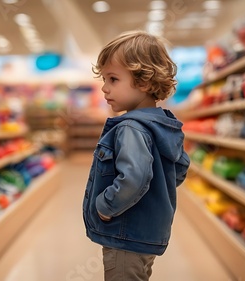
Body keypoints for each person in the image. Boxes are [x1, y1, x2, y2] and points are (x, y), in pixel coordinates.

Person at [82, 30, 190, 281]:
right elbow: (180, 168)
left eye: (113, 79)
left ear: (143, 82)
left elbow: (135, 177)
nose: (104, 88)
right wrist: (155, 192)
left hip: (125, 233)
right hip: (148, 231)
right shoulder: (166, 124)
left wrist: (106, 205)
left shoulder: (129, 128)